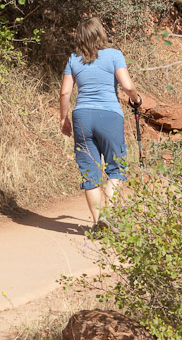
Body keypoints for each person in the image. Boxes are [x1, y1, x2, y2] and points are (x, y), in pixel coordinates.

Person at [58, 17, 141, 236]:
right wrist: (136, 98)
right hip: (109, 115)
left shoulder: (74, 59)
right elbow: (127, 86)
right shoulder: (114, 55)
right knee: (116, 168)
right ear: (101, 33)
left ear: (80, 37)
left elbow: (65, 92)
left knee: (89, 172)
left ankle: (97, 224)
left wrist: (63, 118)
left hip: (82, 117)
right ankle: (107, 216)